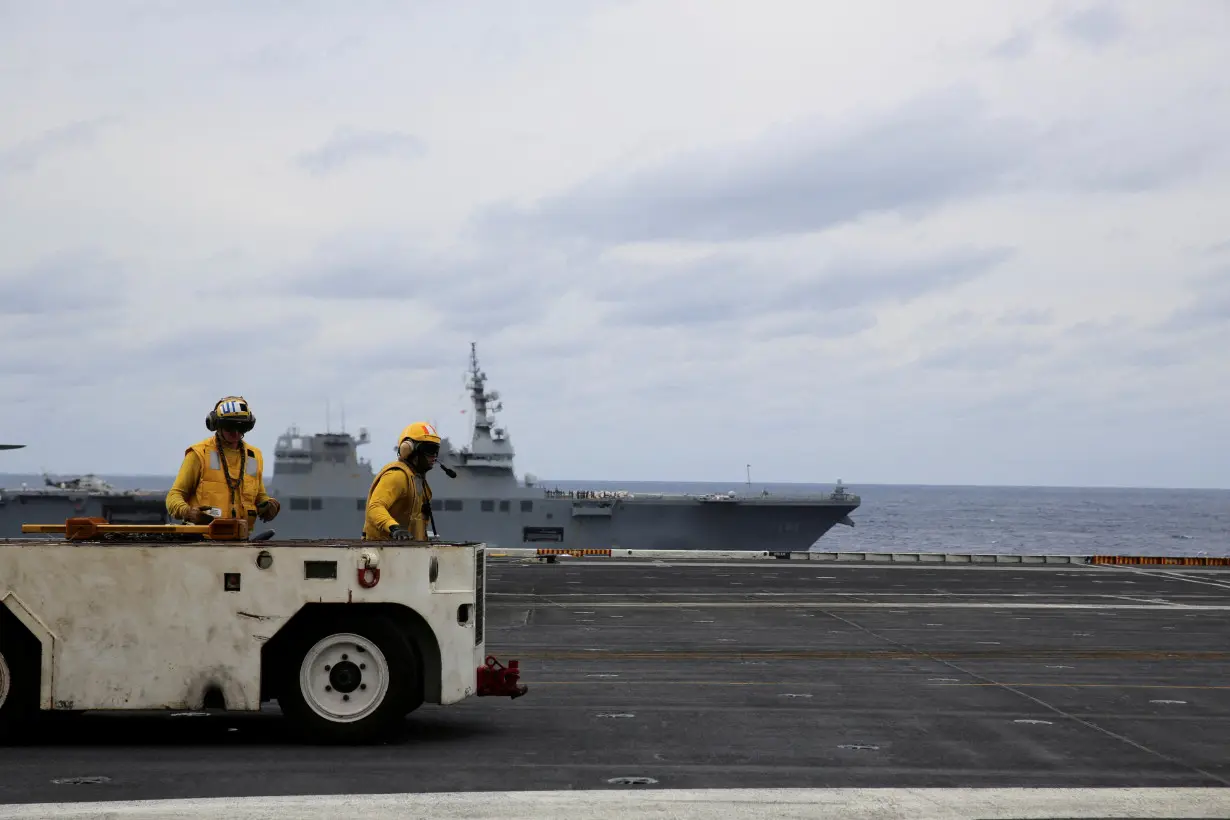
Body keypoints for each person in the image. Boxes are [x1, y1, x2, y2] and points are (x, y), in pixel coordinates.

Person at [166, 395, 281, 530]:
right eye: (230, 427)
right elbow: (173, 496)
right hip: (201, 539)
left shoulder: (253, 457)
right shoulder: (199, 454)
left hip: (240, 539)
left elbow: (259, 496)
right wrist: (188, 512)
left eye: (242, 427)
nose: (236, 433)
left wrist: (268, 504)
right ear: (216, 425)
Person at [362, 421, 440, 540]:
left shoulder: (417, 480)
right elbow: (375, 507)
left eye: (436, 450)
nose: (434, 456)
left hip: (408, 551)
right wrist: (394, 528)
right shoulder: (397, 476)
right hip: (384, 551)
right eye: (429, 449)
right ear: (408, 449)